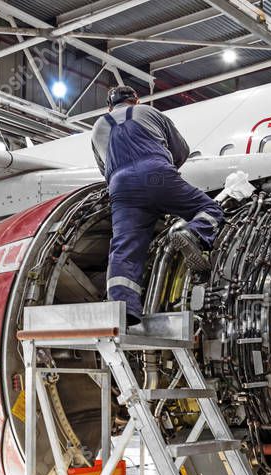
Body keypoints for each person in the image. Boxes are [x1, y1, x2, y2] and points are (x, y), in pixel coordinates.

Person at [91, 85, 223, 326]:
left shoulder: (98, 126)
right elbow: (180, 151)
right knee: (211, 210)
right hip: (157, 172)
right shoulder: (149, 112)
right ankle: (192, 232)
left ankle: (123, 310)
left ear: (109, 107)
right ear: (136, 100)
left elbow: (104, 169)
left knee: (124, 248)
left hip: (121, 186)